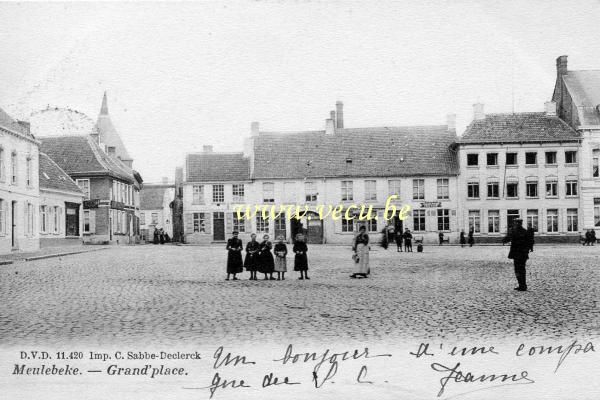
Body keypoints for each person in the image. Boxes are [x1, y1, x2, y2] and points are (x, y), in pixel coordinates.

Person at [502, 218, 533, 291]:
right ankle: (522, 285)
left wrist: (504, 239)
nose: (514, 224)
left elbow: (506, 239)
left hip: (516, 254)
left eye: (515, 223)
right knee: (522, 269)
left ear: (517, 223)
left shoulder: (514, 231)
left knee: (517, 270)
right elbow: (529, 242)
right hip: (523, 254)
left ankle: (522, 285)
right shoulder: (525, 231)